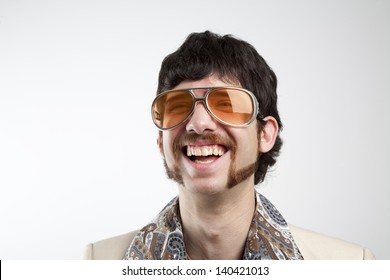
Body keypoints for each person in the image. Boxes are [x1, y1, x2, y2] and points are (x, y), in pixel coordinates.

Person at [84, 31, 375, 260]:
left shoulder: (349, 265)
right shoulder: (101, 263)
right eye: (177, 106)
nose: (199, 123)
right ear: (161, 139)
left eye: (227, 104)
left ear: (265, 134)